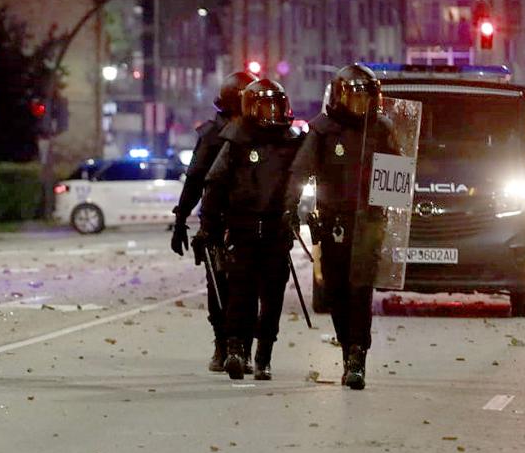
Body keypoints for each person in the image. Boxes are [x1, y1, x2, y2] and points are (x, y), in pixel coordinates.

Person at [283, 63, 398, 390]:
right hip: (333, 221)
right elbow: (300, 171)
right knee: (336, 289)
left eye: (367, 97)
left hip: (370, 220)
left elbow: (397, 174)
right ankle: (347, 346)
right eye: (355, 97)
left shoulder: (382, 129)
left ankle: (357, 357)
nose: (361, 104)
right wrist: (290, 207)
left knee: (360, 289)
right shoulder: (323, 129)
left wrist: (397, 206)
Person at [199, 78, 304, 381]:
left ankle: (264, 355)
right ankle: (234, 349)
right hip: (242, 230)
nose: (271, 112)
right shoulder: (236, 141)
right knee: (240, 293)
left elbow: (305, 178)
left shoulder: (292, 142)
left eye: (276, 105)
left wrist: (294, 212)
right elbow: (214, 183)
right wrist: (208, 225)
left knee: (271, 297)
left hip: (276, 232)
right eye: (265, 106)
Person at [170, 70, 256, 372]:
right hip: (217, 222)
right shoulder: (211, 134)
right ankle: (223, 345)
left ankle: (244, 348)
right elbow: (194, 179)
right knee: (219, 288)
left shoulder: (261, 132)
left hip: (252, 222)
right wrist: (181, 218)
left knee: (248, 289)